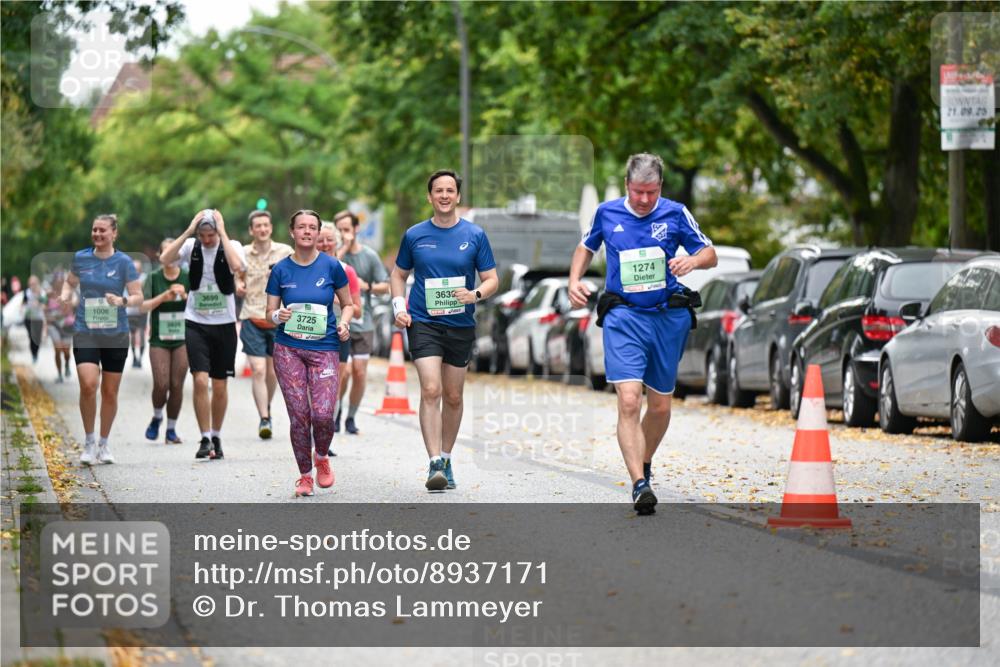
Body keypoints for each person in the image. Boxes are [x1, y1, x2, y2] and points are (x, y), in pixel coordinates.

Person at [568, 153, 717, 515]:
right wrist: (574, 281)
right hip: (624, 316)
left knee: (661, 406)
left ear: (660, 188)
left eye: (651, 192)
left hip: (666, 318)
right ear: (627, 186)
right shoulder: (607, 213)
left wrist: (692, 261)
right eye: (638, 192)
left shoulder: (676, 213)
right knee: (630, 400)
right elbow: (586, 248)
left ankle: (644, 463)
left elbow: (709, 253)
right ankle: (639, 484)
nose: (645, 200)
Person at [391, 169, 498, 491]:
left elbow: (492, 279)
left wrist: (475, 294)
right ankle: (434, 462)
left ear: (458, 196)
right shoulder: (415, 235)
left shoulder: (475, 235)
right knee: (431, 390)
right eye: (438, 190)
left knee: (453, 396)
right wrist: (399, 307)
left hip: (460, 324)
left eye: (450, 190)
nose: (444, 195)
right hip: (424, 321)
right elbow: (397, 274)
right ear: (430, 196)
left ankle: (448, 457)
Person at [266, 210, 354, 497]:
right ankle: (304, 475)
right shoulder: (280, 269)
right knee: (299, 415)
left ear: (318, 233)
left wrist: (344, 323)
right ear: (291, 232)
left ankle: (322, 457)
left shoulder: (332, 266)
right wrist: (278, 314)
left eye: (312, 227)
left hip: (325, 347)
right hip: (288, 348)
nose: (307, 231)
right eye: (301, 227)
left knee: (324, 414)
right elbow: (269, 313)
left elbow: (348, 304)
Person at [159, 209, 247, 461]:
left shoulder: (232, 245)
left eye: (211, 235)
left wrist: (223, 232)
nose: (207, 240)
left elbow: (238, 266)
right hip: (195, 321)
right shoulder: (190, 245)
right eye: (203, 235)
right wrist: (188, 231)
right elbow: (165, 259)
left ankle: (217, 435)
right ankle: (205, 436)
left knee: (219, 384)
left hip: (224, 323)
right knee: (199, 380)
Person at [60, 214, 143, 465]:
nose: (97, 234)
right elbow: (69, 283)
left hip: (116, 333)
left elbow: (137, 295)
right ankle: (88, 441)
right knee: (88, 384)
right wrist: (65, 295)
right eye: (94, 230)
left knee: (109, 391)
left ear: (114, 234)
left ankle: (104, 444)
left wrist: (122, 301)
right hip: (86, 330)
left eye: (102, 230)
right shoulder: (81, 258)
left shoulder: (124, 262)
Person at [236, 209, 292, 439]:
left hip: (279, 318)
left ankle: (266, 406)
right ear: (251, 230)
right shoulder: (242, 254)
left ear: (271, 227)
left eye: (265, 225)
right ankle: (264, 418)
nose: (262, 229)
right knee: (258, 369)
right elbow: (237, 275)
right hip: (252, 316)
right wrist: (238, 285)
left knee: (273, 372)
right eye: (257, 225)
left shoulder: (285, 252)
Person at [334, 209, 389, 435]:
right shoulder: (335, 254)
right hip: (340, 323)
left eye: (347, 229)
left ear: (356, 229)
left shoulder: (369, 256)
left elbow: (385, 285)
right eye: (340, 230)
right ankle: (335, 413)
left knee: (359, 372)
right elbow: (329, 267)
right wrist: (343, 248)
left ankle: (351, 416)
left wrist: (368, 287)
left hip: (363, 323)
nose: (344, 234)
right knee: (342, 373)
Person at [141, 239, 190, 444]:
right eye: (166, 252)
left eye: (175, 252)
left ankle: (171, 429)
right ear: (160, 256)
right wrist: (165, 296)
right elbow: (143, 306)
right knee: (161, 383)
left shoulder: (188, 277)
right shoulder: (153, 278)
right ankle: (157, 416)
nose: (171, 256)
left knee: (177, 384)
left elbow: (199, 305)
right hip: (159, 338)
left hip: (183, 337)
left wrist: (185, 295)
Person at [318, 221, 363, 442]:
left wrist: (334, 297)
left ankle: (325, 439)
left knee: (334, 384)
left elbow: (357, 310)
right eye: (320, 240)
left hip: (338, 332)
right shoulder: (302, 269)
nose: (325, 244)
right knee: (313, 386)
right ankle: (309, 432)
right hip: (310, 333)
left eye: (329, 239)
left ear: (336, 242)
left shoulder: (347, 271)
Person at [45, 273, 74, 383]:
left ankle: (66, 365)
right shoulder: (48, 295)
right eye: (58, 280)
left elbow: (67, 310)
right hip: (54, 326)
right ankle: (59, 374)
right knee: (58, 350)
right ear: (54, 282)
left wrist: (55, 315)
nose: (60, 283)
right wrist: (48, 315)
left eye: (62, 281)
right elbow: (44, 309)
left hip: (66, 325)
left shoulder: (68, 294)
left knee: (66, 352)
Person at [126, 259, 148, 368]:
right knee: (133, 335)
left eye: (137, 268)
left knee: (142, 334)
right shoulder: (127, 278)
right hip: (130, 311)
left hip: (142, 311)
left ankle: (141, 359)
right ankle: (134, 357)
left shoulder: (145, 278)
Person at [22, 275, 46, 363]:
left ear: (37, 284)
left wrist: (38, 304)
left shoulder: (42, 293)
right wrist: (22, 308)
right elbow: (23, 303)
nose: (32, 285)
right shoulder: (26, 292)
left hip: (38, 318)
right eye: (31, 284)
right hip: (28, 318)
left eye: (34, 283)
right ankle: (33, 354)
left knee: (37, 338)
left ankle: (36, 353)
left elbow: (44, 305)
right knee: (31, 337)